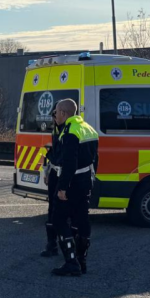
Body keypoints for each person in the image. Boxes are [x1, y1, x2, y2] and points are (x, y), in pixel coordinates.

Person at [50, 98, 99, 277]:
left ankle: (71, 262)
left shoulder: (70, 132)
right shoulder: (89, 129)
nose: (55, 115)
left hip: (72, 183)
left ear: (63, 113)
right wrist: (91, 179)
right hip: (86, 181)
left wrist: (62, 187)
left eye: (56, 112)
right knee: (82, 220)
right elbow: (96, 159)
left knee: (59, 220)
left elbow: (70, 163)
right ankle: (82, 261)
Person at [40, 109, 62, 257]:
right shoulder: (56, 130)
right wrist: (46, 172)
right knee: (52, 209)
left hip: (64, 175)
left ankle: (68, 249)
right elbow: (52, 154)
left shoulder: (69, 131)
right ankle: (52, 244)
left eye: (54, 115)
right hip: (55, 173)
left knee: (63, 211)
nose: (53, 118)